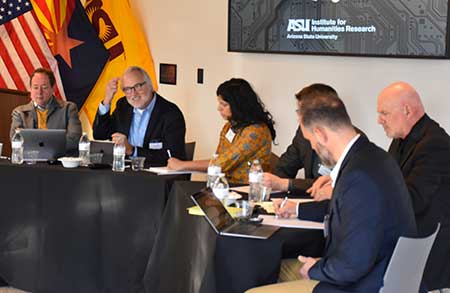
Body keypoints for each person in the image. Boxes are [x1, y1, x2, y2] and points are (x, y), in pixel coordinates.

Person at [247, 88, 416, 292]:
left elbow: (350, 267)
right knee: (279, 268)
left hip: (364, 285)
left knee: (254, 288)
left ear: (319, 134)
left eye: (310, 141)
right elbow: (350, 210)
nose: (313, 147)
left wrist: (316, 268)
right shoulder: (376, 157)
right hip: (387, 274)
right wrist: (298, 210)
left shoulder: (358, 176)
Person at [377, 81, 450, 291]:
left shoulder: (435, 144)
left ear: (407, 110)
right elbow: (386, 181)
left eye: (384, 113)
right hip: (405, 235)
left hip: (425, 247)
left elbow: (411, 200)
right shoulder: (401, 138)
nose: (379, 120)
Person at [167, 78, 276, 185]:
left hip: (247, 188)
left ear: (238, 105)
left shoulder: (256, 131)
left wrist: (182, 165)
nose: (219, 108)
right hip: (226, 185)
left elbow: (222, 163)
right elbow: (218, 158)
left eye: (224, 104)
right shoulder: (229, 126)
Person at [93, 66, 186, 166]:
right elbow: (99, 134)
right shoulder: (123, 105)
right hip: (124, 172)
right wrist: (107, 100)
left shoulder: (170, 113)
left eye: (138, 86)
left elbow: (172, 157)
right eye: (127, 89)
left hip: (154, 176)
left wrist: (132, 151)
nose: (133, 94)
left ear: (150, 85)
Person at [10, 67, 82, 153]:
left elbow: (74, 140)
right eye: (35, 87)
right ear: (30, 89)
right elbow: (16, 141)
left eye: (44, 87)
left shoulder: (69, 109)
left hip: (59, 162)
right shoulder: (19, 112)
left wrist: (42, 149)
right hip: (30, 162)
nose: (39, 92)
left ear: (53, 88)